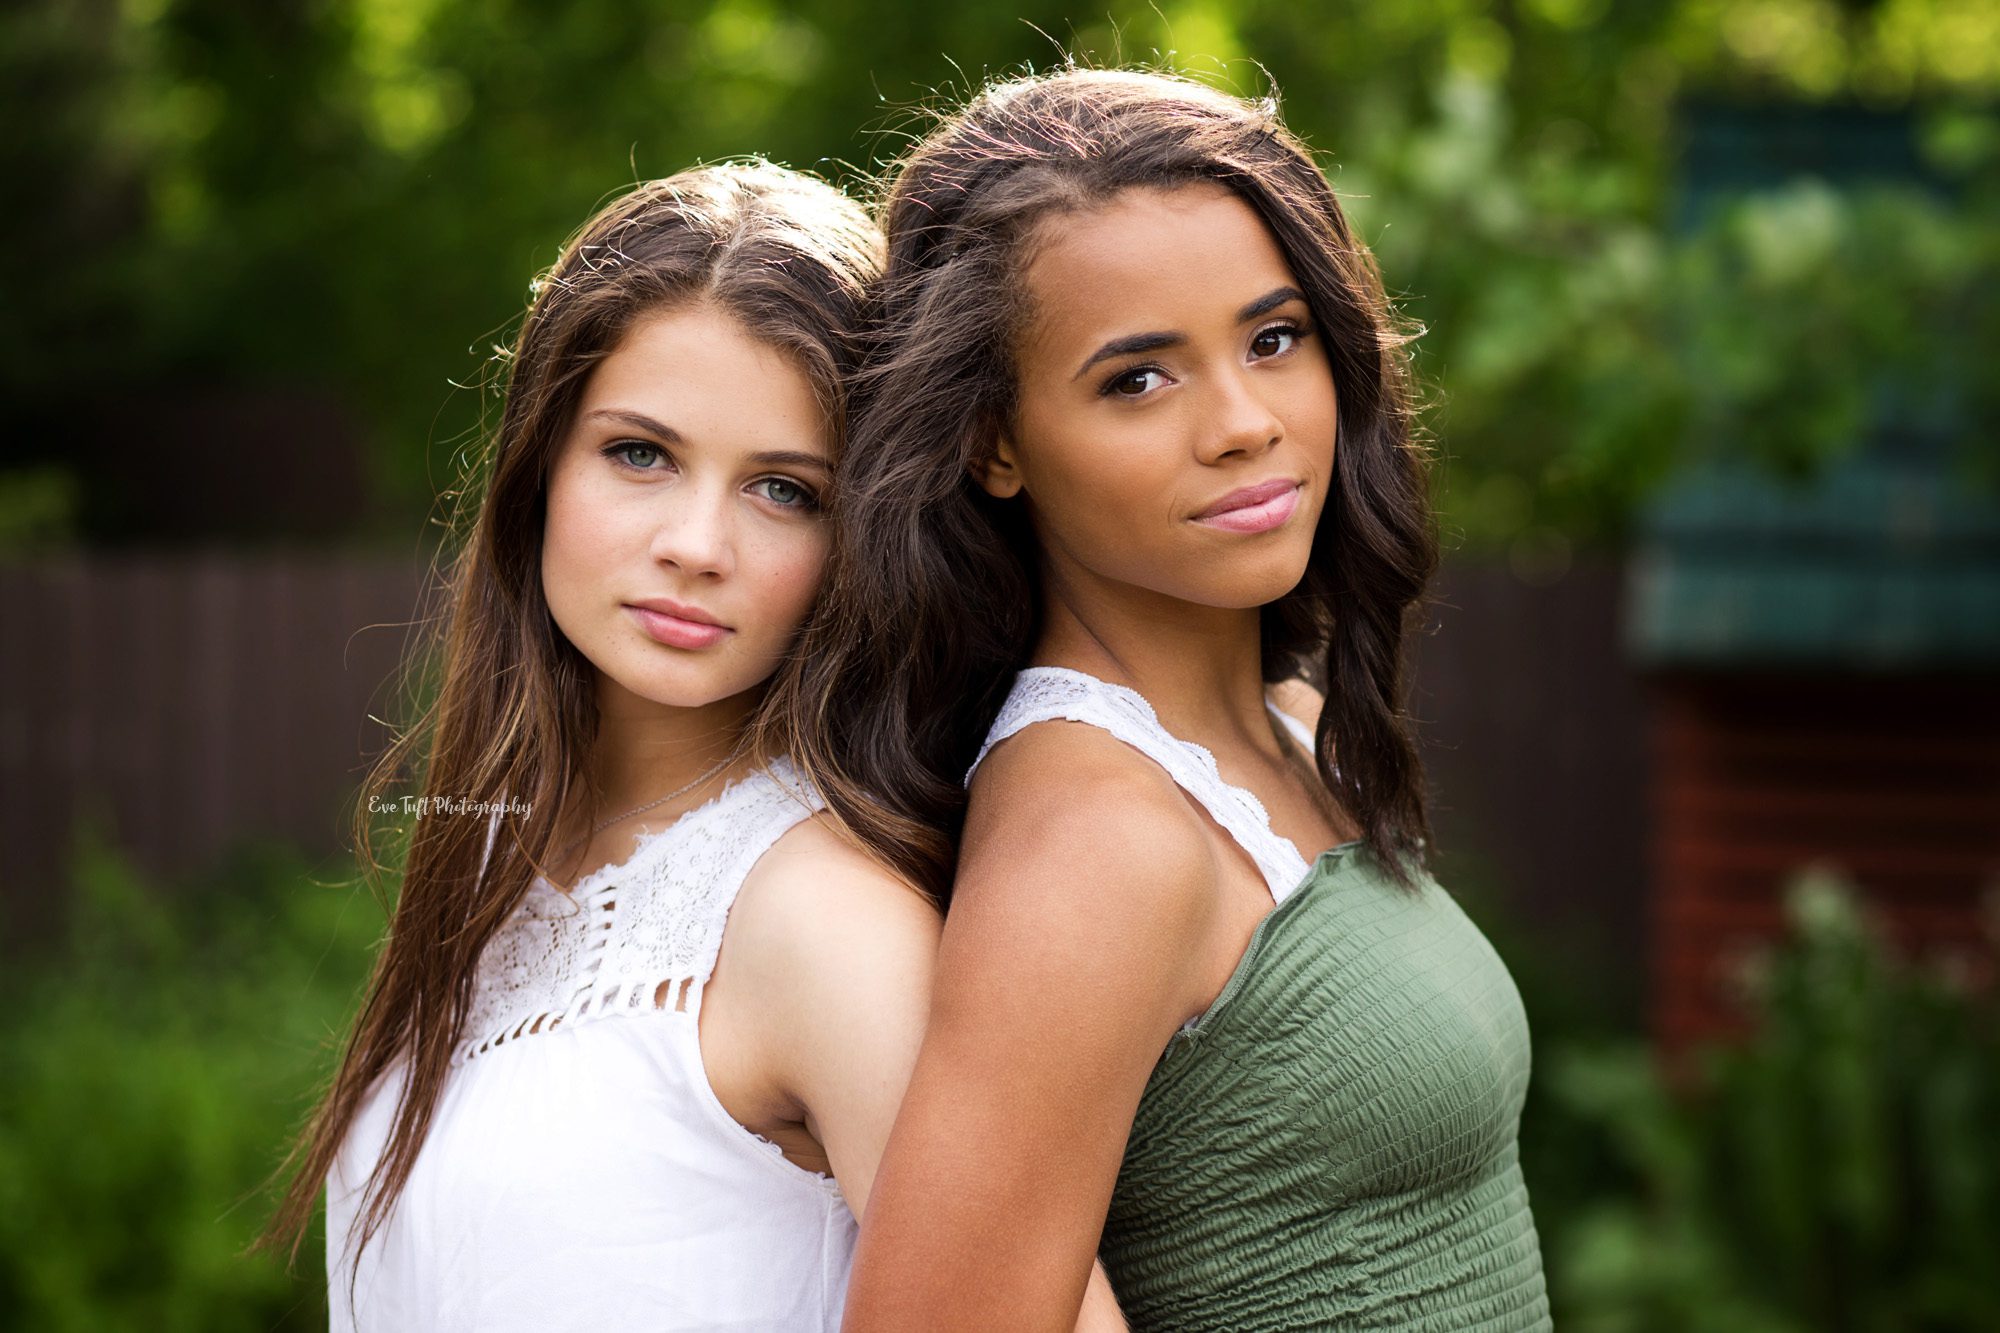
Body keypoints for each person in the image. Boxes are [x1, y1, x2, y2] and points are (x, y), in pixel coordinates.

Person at [787, 68, 1552, 1330]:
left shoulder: (1291, 728)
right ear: (994, 441)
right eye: (1137, 379)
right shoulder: (1096, 838)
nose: (1245, 422)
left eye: (1272, 338)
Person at [254, 161, 942, 1331]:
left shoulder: (823, 925)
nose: (695, 543)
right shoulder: (493, 863)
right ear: (537, 470)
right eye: (640, 454)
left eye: (783, 489)